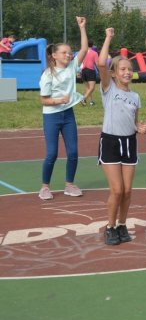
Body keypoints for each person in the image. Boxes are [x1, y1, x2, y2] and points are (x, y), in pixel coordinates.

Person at [96, 27, 146, 245]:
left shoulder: (135, 96)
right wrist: (108, 37)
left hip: (129, 143)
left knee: (127, 191)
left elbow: (135, 121)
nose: (127, 72)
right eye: (123, 69)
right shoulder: (108, 89)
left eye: (130, 69)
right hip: (110, 141)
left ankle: (122, 224)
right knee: (116, 190)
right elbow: (101, 63)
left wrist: (140, 127)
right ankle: (109, 227)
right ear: (114, 73)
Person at [38, 16, 89, 200]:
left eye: (70, 52)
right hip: (51, 116)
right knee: (52, 153)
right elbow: (43, 100)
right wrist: (59, 100)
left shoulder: (71, 67)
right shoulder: (47, 75)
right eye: (65, 52)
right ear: (54, 55)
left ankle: (69, 184)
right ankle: (45, 187)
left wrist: (82, 27)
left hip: (68, 115)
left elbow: (84, 49)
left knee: (73, 151)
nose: (69, 55)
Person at [80, 41, 99, 106]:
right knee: (92, 88)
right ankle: (83, 98)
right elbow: (97, 63)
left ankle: (91, 101)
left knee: (88, 88)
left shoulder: (83, 53)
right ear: (92, 45)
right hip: (90, 70)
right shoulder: (95, 53)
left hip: (83, 71)